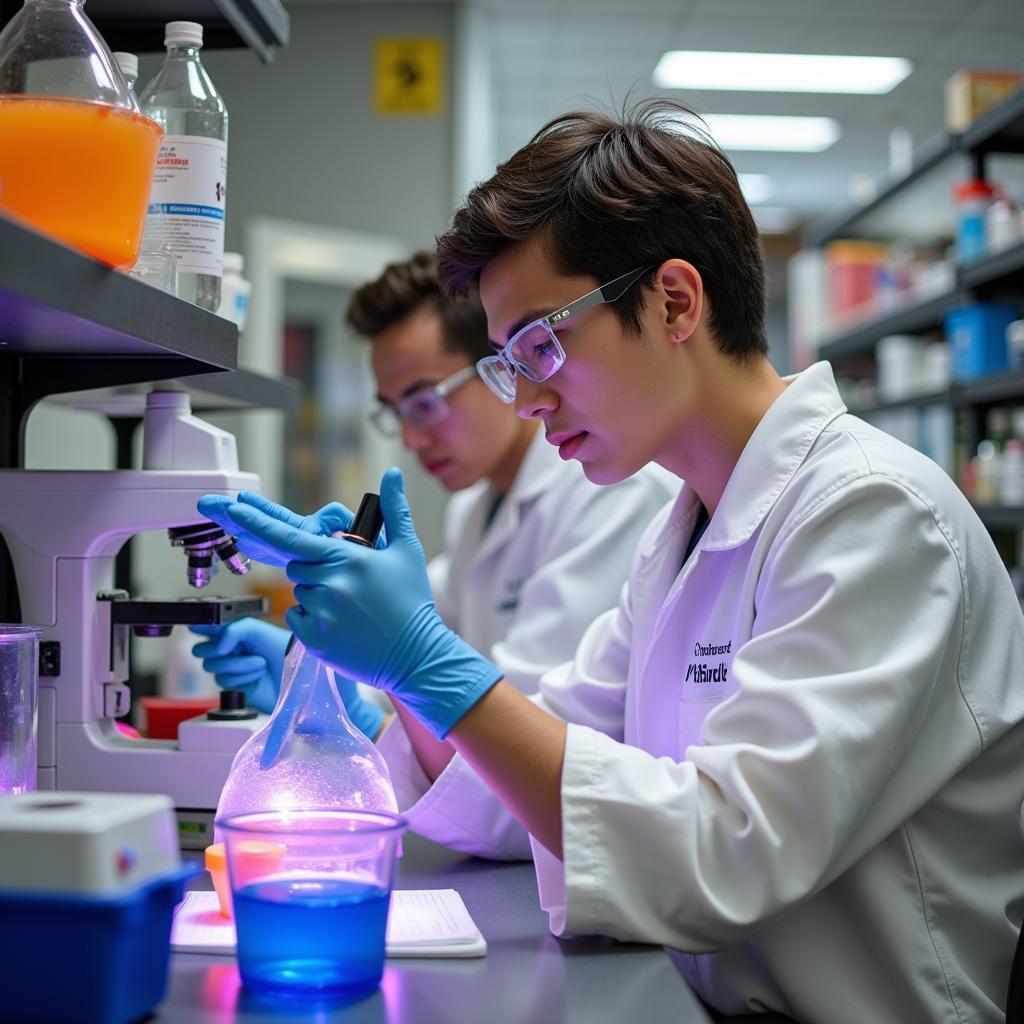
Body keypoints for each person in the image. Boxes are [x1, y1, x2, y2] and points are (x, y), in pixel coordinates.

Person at [199, 100, 1024, 1023]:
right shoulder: (681, 536)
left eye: (541, 345)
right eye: (511, 363)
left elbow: (724, 853)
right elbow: (523, 794)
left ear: (675, 300)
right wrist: (400, 676)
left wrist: (426, 658)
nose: (529, 400)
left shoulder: (877, 517)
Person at [194, 251, 676, 857]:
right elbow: (425, 666)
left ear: (499, 365)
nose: (415, 439)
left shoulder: (608, 495)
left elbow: (524, 739)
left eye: (426, 402)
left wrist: (378, 708)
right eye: (396, 414)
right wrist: (319, 684)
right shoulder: (475, 511)